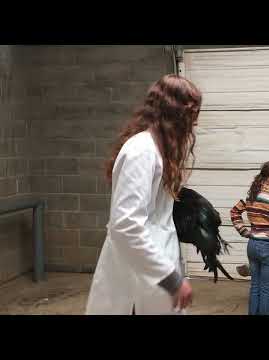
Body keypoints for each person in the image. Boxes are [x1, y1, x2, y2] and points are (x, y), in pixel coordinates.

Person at [85, 74, 202, 315]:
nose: (194, 124)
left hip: (152, 275)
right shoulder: (141, 152)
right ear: (173, 113)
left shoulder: (158, 151)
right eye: (190, 115)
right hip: (136, 281)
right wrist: (170, 278)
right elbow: (125, 225)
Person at [230, 160, 269, 315]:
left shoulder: (251, 194)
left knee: (255, 287)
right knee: (267, 291)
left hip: (252, 245)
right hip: (268, 247)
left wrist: (244, 232)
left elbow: (234, 212)